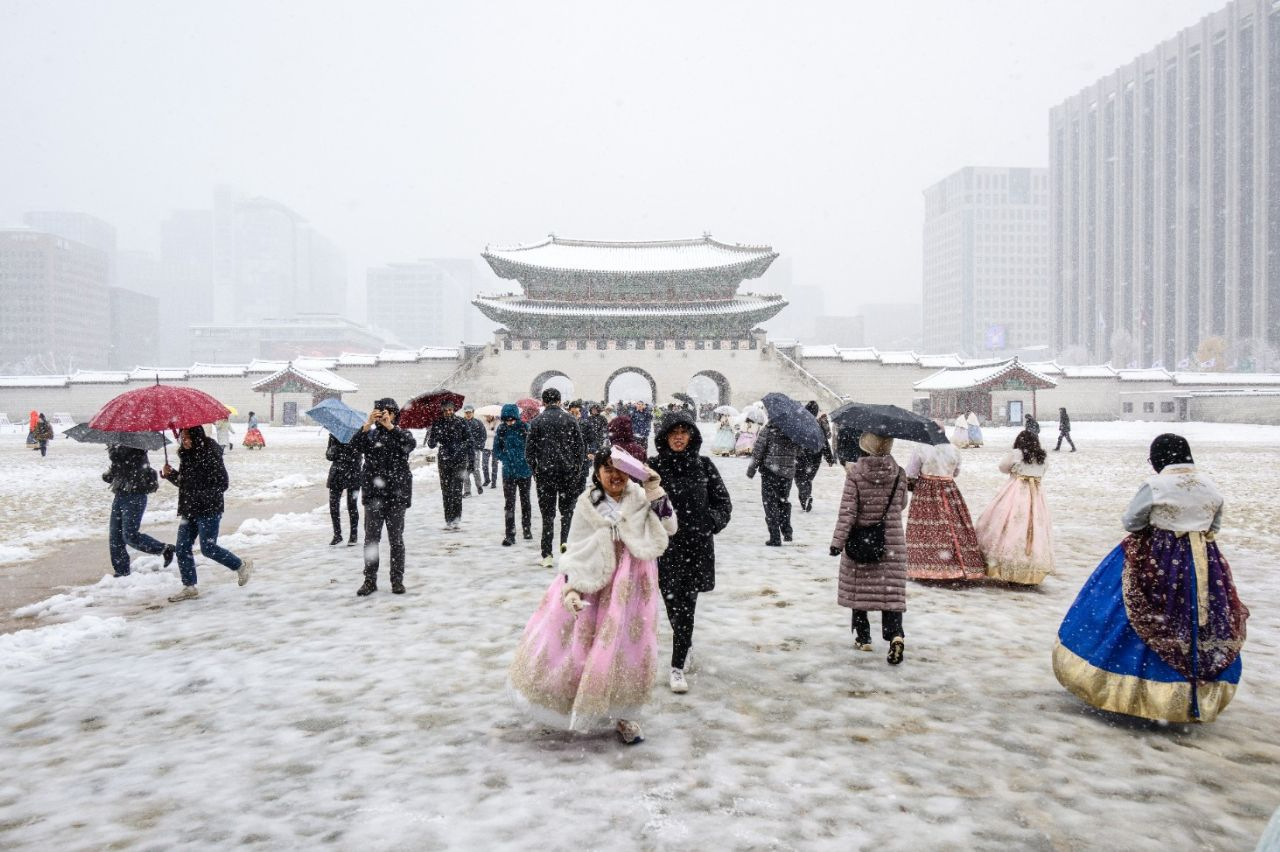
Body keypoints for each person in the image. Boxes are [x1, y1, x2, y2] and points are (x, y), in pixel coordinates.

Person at [1053, 434, 1248, 723]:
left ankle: (1134, 689)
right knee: (1197, 620)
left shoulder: (1156, 486)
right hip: (1202, 564)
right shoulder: (1210, 486)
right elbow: (1213, 526)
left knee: (1137, 614)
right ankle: (1189, 694)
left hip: (1155, 558)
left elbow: (1132, 521)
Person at [508, 450, 676, 744]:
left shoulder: (641, 498)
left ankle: (627, 715)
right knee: (583, 649)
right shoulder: (588, 504)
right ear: (597, 472)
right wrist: (571, 588)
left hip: (633, 589)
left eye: (620, 469)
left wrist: (653, 488)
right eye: (606, 468)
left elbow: (670, 527)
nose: (614, 475)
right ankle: (573, 706)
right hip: (595, 584)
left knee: (629, 651)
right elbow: (574, 547)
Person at [648, 410, 732, 694]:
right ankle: (684, 643)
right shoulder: (653, 468)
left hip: (695, 548)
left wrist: (709, 522)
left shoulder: (704, 466)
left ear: (692, 436)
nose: (679, 437)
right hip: (665, 550)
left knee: (687, 607)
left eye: (684, 432)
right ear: (664, 437)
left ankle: (677, 665)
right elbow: (639, 503)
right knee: (673, 606)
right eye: (673, 433)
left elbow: (723, 503)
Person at [829, 432, 909, 663]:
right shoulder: (899, 473)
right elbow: (901, 504)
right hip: (891, 542)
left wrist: (837, 542)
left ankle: (863, 638)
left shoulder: (855, 474)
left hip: (861, 541)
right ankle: (896, 636)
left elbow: (848, 512)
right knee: (890, 594)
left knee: (859, 591)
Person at [161, 426, 253, 601]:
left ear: (196, 436)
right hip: (190, 509)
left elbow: (222, 483)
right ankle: (189, 586)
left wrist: (201, 491)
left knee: (208, 548)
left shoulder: (209, 452)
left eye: (187, 436)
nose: (183, 440)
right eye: (182, 436)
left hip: (208, 508)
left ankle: (241, 565)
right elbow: (185, 483)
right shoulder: (186, 454)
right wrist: (171, 474)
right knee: (182, 548)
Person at [351, 398, 416, 596]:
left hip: (396, 495)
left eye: (387, 412)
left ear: (395, 414)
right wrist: (367, 424)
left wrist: (390, 427)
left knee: (396, 540)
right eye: (380, 412)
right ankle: (369, 580)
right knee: (371, 540)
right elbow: (354, 447)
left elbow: (409, 444)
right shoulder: (370, 435)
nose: (383, 416)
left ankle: (397, 580)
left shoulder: (402, 433)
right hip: (373, 495)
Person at [975, 430, 1054, 585]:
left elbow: (1002, 467)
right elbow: (1044, 471)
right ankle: (1029, 566)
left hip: (1016, 491)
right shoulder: (1042, 456)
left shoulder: (1016, 453)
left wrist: (1015, 470)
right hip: (1036, 495)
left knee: (1008, 522)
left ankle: (1003, 563)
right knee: (1033, 526)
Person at [904, 441, 985, 581]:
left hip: (926, 490)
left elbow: (911, 472)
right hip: (948, 488)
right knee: (953, 524)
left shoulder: (921, 447)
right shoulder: (954, 448)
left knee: (926, 527)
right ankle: (956, 565)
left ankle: (925, 566)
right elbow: (957, 472)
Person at [526, 387, 587, 568]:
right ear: (559, 401)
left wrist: (536, 469)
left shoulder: (536, 422)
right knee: (567, 512)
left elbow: (529, 452)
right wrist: (576, 468)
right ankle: (565, 543)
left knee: (547, 515)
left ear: (543, 402)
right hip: (567, 473)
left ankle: (546, 554)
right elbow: (580, 447)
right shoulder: (570, 419)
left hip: (545, 474)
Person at [103, 444, 174, 577]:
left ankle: (164, 549)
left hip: (135, 495)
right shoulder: (118, 452)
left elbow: (132, 471)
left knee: (129, 535)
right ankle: (121, 571)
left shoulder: (135, 448)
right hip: (120, 494)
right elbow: (113, 475)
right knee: (115, 536)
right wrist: (109, 474)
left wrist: (116, 462)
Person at [746, 419, 799, 546]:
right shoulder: (794, 431)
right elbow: (799, 451)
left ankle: (775, 536)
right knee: (783, 501)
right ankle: (787, 531)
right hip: (787, 473)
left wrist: (751, 469)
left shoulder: (768, 429)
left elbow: (758, 451)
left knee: (770, 503)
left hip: (770, 471)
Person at [493, 403, 533, 546]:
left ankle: (527, 527)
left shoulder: (525, 428)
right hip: (509, 471)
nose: (509, 422)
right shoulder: (502, 429)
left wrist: (526, 460)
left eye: (512, 419)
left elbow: (532, 447)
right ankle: (510, 533)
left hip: (524, 471)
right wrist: (505, 458)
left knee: (525, 501)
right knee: (509, 503)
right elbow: (496, 449)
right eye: (507, 420)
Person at [428, 400, 471, 530]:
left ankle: (456, 519)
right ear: (442, 411)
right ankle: (448, 519)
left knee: (457, 490)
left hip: (459, 460)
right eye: (446, 410)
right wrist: (434, 436)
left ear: (454, 410)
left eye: (450, 410)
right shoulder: (437, 423)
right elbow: (431, 444)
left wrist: (461, 449)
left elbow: (469, 440)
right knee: (446, 490)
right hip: (444, 460)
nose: (448, 412)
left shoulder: (461, 422)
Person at [794, 401, 836, 512]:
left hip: (801, 456)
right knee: (807, 479)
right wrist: (829, 458)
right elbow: (825, 443)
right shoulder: (818, 425)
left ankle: (805, 498)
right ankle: (806, 497)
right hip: (815, 458)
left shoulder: (799, 424)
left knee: (800, 479)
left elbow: (793, 440)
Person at [325, 433, 362, 546]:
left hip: (353, 473)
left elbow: (359, 455)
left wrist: (348, 450)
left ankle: (353, 535)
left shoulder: (358, 434)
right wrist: (334, 450)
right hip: (336, 474)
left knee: (352, 505)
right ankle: (337, 535)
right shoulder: (334, 434)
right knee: (333, 506)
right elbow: (329, 456)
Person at [461, 404, 486, 498]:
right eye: (466, 413)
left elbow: (483, 435)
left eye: (470, 412)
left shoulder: (478, 423)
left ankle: (479, 485)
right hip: (464, 451)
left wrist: (479, 446)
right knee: (465, 471)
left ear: (473, 413)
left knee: (475, 469)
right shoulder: (461, 423)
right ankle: (467, 491)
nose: (468, 414)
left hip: (475, 450)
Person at [481, 413, 498, 488]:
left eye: (490, 415)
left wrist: (489, 431)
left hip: (495, 446)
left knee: (494, 465)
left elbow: (497, 433)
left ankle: (494, 481)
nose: (488, 417)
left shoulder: (497, 422)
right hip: (485, 446)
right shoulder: (483, 422)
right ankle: (487, 479)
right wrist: (491, 431)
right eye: (487, 415)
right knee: (484, 464)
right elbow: (482, 433)